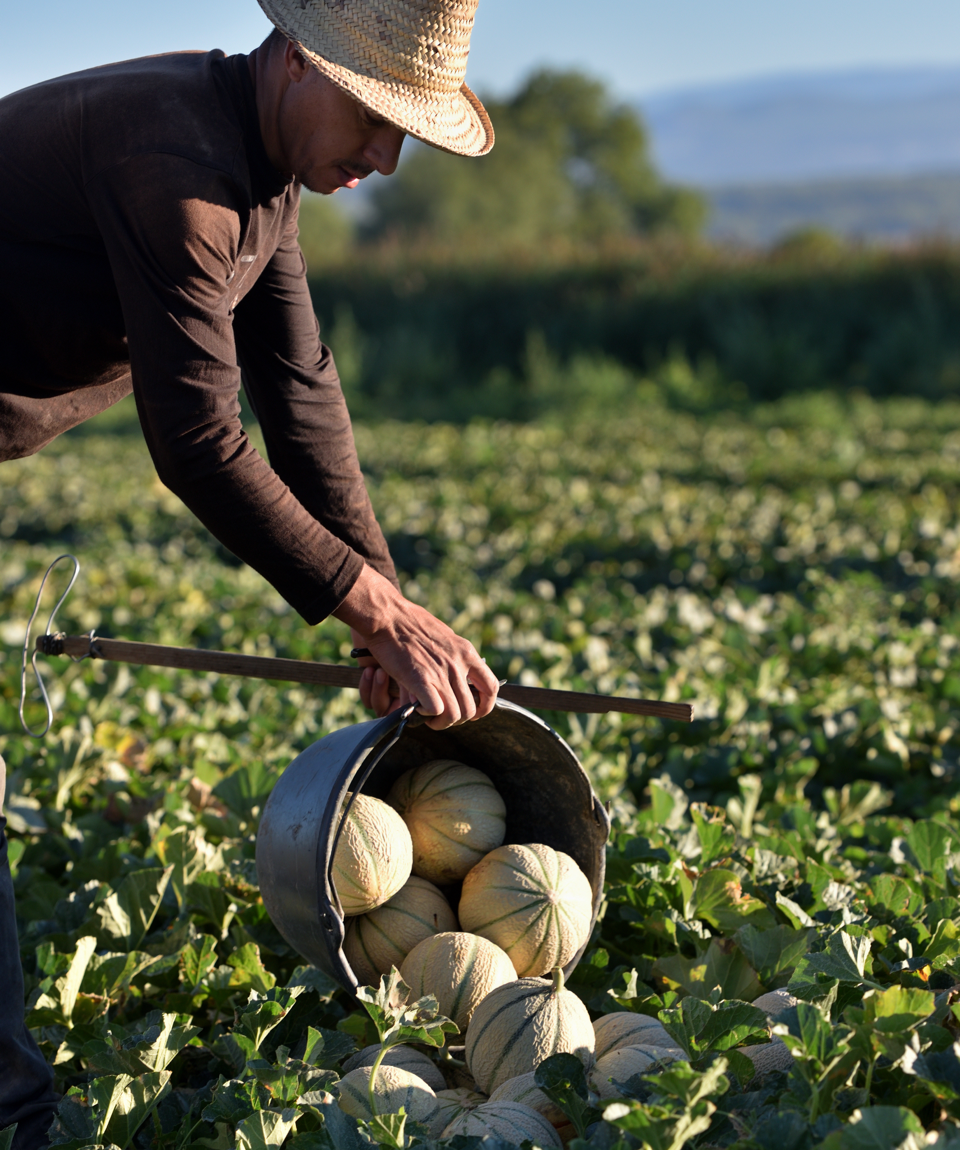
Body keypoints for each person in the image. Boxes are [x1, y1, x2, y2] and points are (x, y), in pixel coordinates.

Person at [0, 1, 498, 1144]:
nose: (384, 156)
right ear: (296, 62)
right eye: (375, 117)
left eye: (404, 133)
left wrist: (385, 609)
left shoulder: (260, 172)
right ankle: (18, 1118)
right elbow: (199, 441)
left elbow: (301, 393)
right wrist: (369, 605)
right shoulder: (175, 164)